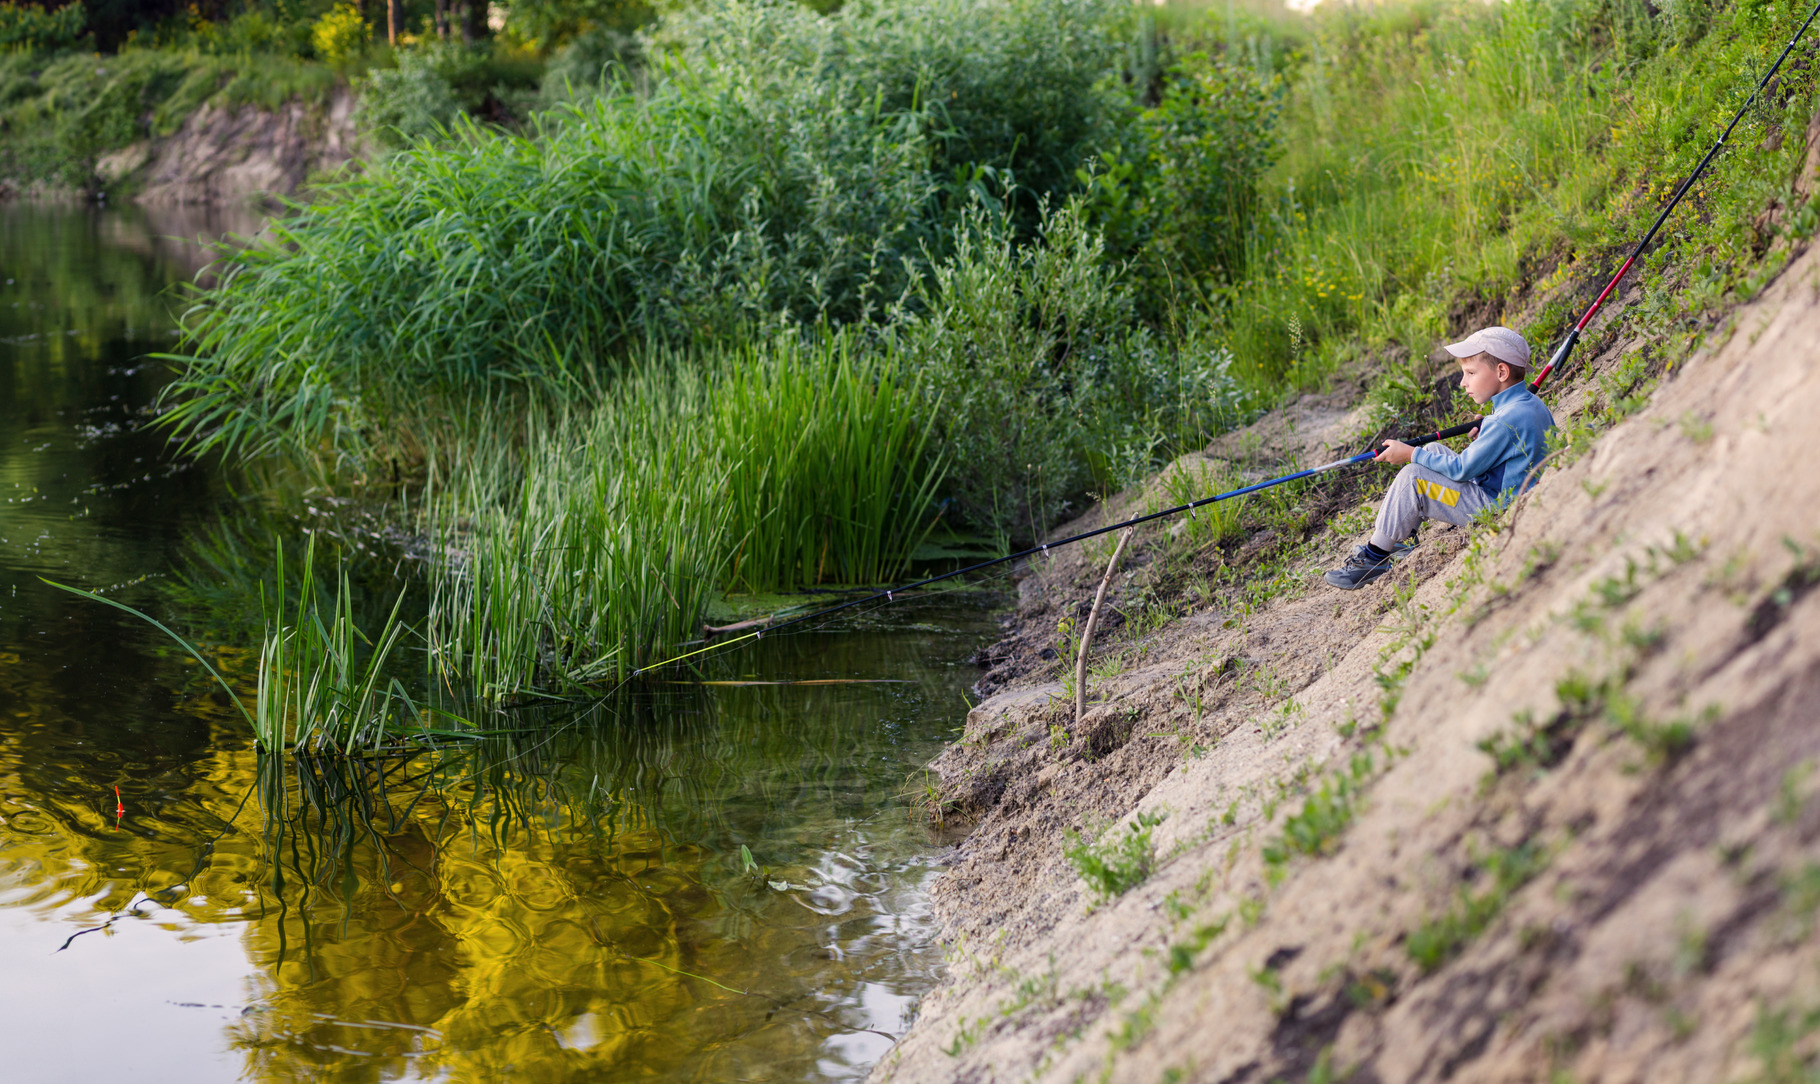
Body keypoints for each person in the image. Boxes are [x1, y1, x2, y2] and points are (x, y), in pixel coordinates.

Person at [1325, 326, 1556, 590]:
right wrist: (1485, 437)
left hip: (1494, 508)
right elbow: (1511, 456)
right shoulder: (1528, 405)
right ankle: (1402, 539)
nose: (1463, 382)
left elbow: (1462, 470)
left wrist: (1411, 453)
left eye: (1470, 373)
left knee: (1413, 477)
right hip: (1509, 494)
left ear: (1501, 372)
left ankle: (1373, 558)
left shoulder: (1503, 420)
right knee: (1434, 450)